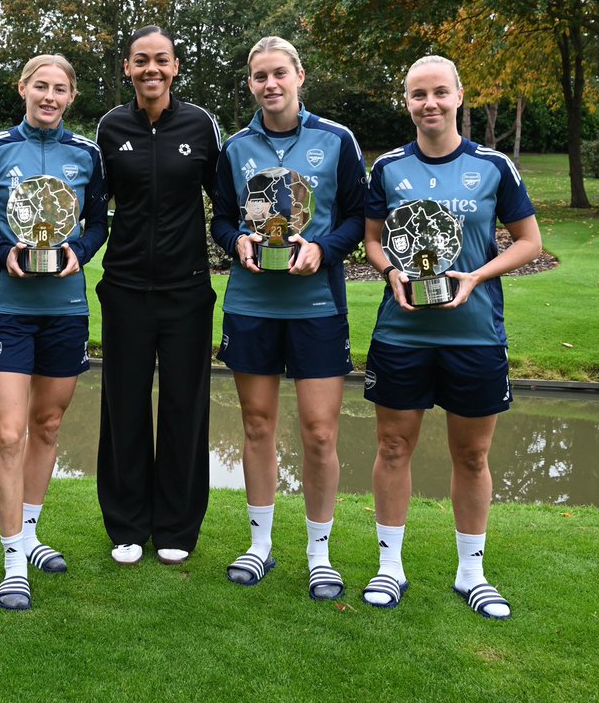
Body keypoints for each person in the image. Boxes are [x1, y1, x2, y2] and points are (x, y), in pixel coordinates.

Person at [361, 55, 541, 619]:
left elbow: (528, 241)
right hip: (402, 335)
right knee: (393, 448)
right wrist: (391, 273)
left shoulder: (493, 167)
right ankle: (390, 567)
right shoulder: (388, 168)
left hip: (475, 335)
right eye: (418, 94)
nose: (430, 103)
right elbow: (371, 241)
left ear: (459, 95)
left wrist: (477, 274)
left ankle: (472, 573)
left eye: (440, 92)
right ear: (407, 101)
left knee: (473, 453)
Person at [211, 36, 365, 600]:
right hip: (251, 304)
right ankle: (259, 545)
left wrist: (322, 248)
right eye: (259, 76)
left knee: (320, 432)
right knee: (256, 426)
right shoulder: (235, 147)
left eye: (280, 73)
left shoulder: (337, 140)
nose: (270, 84)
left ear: (300, 76)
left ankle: (319, 553)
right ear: (250, 84)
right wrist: (238, 245)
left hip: (316, 306)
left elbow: (358, 218)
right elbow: (222, 221)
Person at [0, 54, 108, 610]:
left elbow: (98, 221)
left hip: (67, 310)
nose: (49, 96)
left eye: (60, 89)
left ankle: (28, 533)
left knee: (47, 424)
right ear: (23, 88)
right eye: (40, 87)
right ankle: (10, 562)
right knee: (8, 434)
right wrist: (4, 254)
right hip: (9, 309)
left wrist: (80, 250)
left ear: (71, 97)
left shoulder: (87, 155)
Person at [94, 26, 221, 566]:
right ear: (128, 68)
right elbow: (92, 203)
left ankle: (176, 527)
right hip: (124, 288)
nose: (152, 69)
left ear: (174, 67)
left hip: (186, 290)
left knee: (183, 407)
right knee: (122, 405)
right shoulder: (110, 127)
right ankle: (126, 525)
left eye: (161, 60)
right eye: (141, 60)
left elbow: (229, 203)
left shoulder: (201, 124)